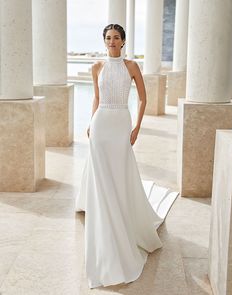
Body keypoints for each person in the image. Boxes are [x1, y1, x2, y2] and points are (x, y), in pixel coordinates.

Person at [75, 24, 164, 289]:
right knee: (102, 176)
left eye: (116, 38)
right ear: (104, 41)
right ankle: (105, 222)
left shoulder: (131, 66)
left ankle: (123, 221)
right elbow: (97, 98)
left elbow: (143, 99)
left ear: (123, 42)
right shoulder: (97, 67)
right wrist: (91, 122)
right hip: (102, 124)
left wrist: (137, 127)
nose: (112, 41)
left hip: (121, 123)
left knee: (120, 172)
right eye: (108, 38)